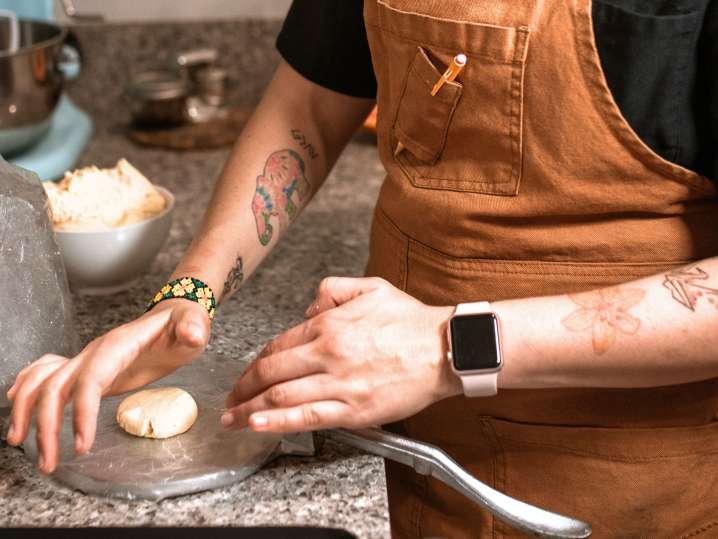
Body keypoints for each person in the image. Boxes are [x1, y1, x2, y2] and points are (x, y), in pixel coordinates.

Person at [7, 1, 718, 537]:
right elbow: (310, 104)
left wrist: (447, 348)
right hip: (410, 456)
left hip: (628, 486)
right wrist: (187, 295)